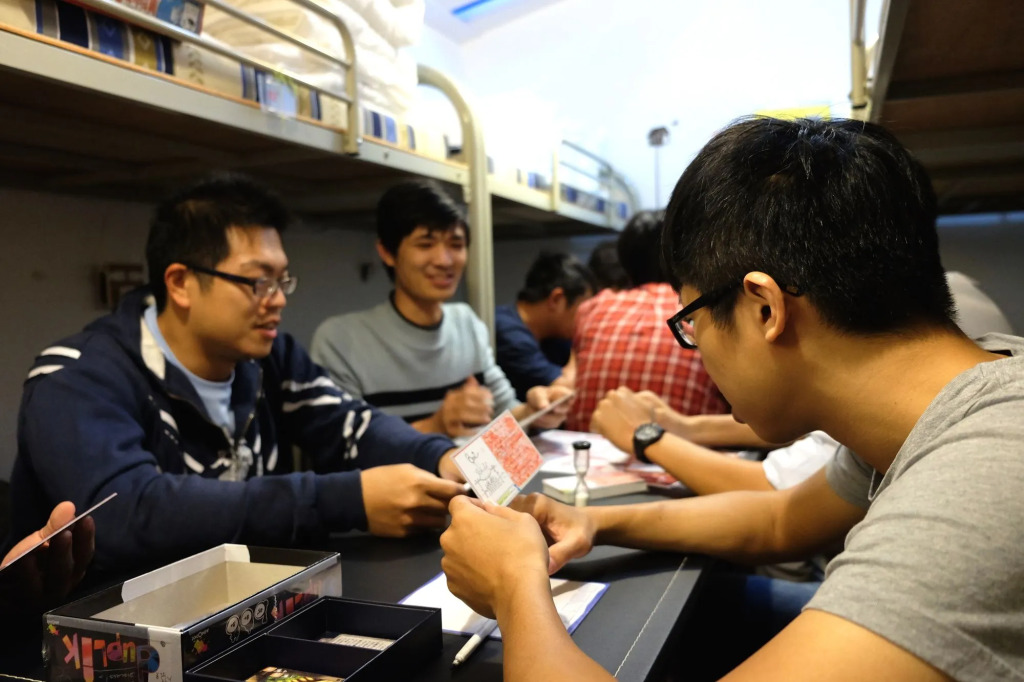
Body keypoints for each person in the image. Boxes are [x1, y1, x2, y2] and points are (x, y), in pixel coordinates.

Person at [440, 117, 1024, 681]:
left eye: (691, 323)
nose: (696, 348)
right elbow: (779, 519)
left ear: (764, 308)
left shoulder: (986, 475)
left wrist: (514, 587)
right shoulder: (941, 406)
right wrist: (592, 519)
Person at [11, 173, 466, 575]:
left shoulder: (268, 357)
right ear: (180, 283)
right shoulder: (77, 375)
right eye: (258, 281)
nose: (278, 299)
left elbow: (350, 423)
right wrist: (346, 499)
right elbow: (126, 513)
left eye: (282, 280)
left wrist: (441, 457)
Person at [311, 180, 569, 438]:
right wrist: (435, 426)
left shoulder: (467, 323)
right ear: (387, 252)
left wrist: (535, 411)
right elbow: (341, 447)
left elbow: (505, 412)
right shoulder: (340, 340)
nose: (444, 260)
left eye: (456, 245)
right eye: (425, 244)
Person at [565, 210, 729, 431]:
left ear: (625, 260)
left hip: (585, 447)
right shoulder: (704, 310)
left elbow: (570, 380)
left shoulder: (592, 308)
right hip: (687, 450)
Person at [495, 252, 595, 401]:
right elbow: (566, 390)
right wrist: (579, 343)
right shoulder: (507, 332)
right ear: (556, 299)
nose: (587, 319)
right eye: (583, 309)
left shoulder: (552, 335)